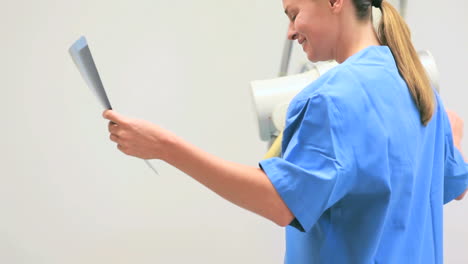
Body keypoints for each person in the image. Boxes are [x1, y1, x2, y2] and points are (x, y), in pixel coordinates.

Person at [103, 0, 468, 263]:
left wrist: (164, 147)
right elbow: (455, 185)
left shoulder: (333, 99)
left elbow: (281, 203)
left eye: (293, 14)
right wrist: (449, 132)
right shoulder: (418, 89)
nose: (291, 31)